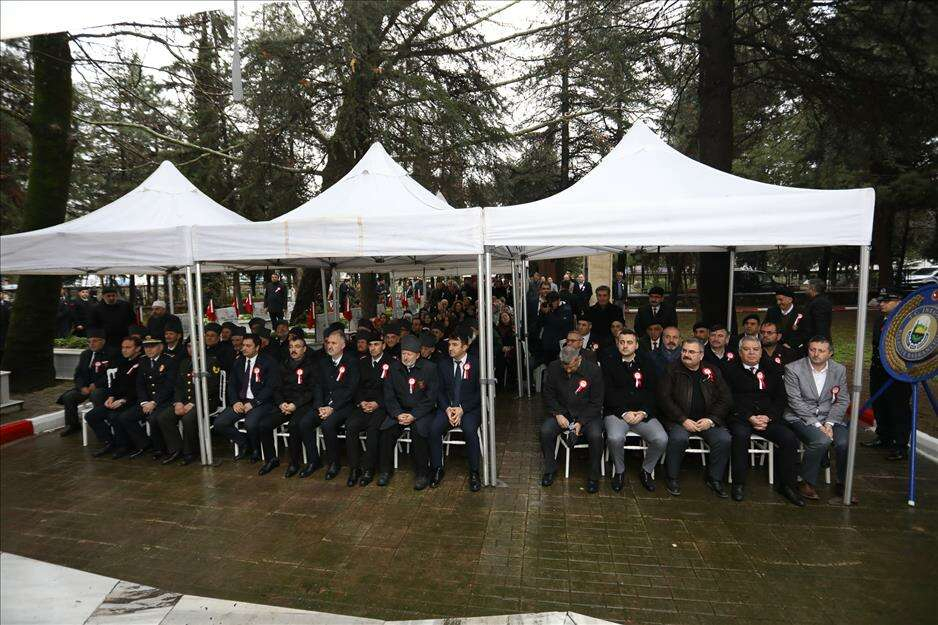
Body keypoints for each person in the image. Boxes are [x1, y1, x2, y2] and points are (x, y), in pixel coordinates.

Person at [723, 336, 804, 506]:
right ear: (740, 352)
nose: (751, 353)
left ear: (761, 352)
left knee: (789, 438)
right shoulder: (729, 370)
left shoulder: (773, 368)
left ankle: (787, 486)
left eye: (755, 349)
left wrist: (768, 416)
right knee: (740, 436)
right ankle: (738, 484)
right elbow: (728, 399)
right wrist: (749, 417)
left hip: (767, 418)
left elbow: (781, 398)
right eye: (746, 349)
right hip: (741, 417)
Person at [657, 338, 732, 498]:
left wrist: (711, 420)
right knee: (679, 438)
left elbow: (726, 399)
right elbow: (664, 398)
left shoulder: (712, 371)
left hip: (706, 420)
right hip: (679, 420)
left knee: (724, 439)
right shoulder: (671, 369)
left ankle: (714, 479)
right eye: (684, 351)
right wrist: (682, 419)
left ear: (701, 355)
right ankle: (672, 477)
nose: (686, 354)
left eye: (691, 352)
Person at [783, 336, 850, 501]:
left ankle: (843, 483)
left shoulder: (839, 370)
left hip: (831, 417)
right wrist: (819, 425)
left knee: (844, 443)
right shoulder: (793, 368)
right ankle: (805, 481)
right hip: (801, 417)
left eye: (821, 351)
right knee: (821, 440)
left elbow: (842, 400)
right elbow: (795, 401)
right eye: (812, 349)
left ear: (830, 353)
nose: (816, 354)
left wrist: (829, 423)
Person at [602, 330, 667, 493]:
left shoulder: (647, 363)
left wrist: (644, 412)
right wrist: (624, 412)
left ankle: (646, 470)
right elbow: (607, 392)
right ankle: (619, 471)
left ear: (636, 345)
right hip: (617, 413)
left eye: (629, 342)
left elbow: (653, 392)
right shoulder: (608, 362)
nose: (625, 345)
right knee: (615, 438)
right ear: (617, 344)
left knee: (661, 439)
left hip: (642, 414)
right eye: (622, 342)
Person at [539, 345, 605, 493]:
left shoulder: (593, 370)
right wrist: (557, 413)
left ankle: (593, 476)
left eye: (571, 367)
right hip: (562, 412)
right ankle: (550, 469)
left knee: (596, 436)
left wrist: (581, 422)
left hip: (587, 414)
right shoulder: (554, 367)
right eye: (565, 367)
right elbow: (548, 394)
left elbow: (596, 402)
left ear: (579, 359)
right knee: (545, 431)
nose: (568, 371)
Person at [380, 334, 440, 490]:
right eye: (403, 354)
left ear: (418, 355)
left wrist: (414, 415)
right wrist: (397, 413)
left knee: (418, 431)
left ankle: (422, 473)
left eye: (409, 354)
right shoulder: (393, 368)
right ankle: (385, 471)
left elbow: (430, 398)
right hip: (400, 411)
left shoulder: (429, 368)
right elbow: (389, 395)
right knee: (387, 430)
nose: (405, 357)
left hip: (421, 412)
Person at [863, 287, 913, 460]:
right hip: (878, 369)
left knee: (898, 408)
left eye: (886, 301)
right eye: (881, 301)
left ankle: (900, 445)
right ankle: (883, 437)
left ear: (899, 302)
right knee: (880, 404)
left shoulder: (907, 321)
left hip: (898, 372)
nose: (881, 304)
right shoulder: (880, 319)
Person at [213, 334, 281, 461]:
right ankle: (245, 443)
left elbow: (270, 387)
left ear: (257, 347)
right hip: (241, 401)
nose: (244, 348)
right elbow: (232, 385)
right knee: (220, 423)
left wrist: (254, 403)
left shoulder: (268, 362)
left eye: (248, 346)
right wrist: (235, 402)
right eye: (243, 345)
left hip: (261, 402)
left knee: (250, 424)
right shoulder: (239, 362)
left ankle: (256, 450)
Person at [432, 329, 483, 492]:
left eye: (455, 345)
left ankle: (474, 472)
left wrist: (462, 409)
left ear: (465, 347)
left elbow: (481, 393)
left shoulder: (477, 363)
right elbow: (439, 391)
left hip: (469, 408)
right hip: (448, 408)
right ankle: (437, 468)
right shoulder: (443, 364)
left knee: (469, 429)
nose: (450, 348)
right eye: (449, 344)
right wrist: (447, 409)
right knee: (434, 429)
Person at [262, 334, 320, 477]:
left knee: (294, 425)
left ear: (304, 349)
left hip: (303, 404)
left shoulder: (312, 365)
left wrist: (295, 404)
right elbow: (276, 388)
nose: (293, 350)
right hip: (285, 404)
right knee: (264, 424)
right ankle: (271, 459)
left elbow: (312, 391)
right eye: (291, 347)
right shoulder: (283, 365)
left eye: (297, 347)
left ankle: (294, 463)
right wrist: (281, 403)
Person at [156, 340, 221, 465]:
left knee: (188, 419)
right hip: (184, 401)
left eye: (195, 345)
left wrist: (193, 403)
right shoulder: (184, 362)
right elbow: (178, 386)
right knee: (163, 417)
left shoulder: (211, 362)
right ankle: (176, 449)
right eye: (189, 346)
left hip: (205, 401)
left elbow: (212, 387)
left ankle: (190, 452)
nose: (191, 348)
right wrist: (178, 402)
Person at [118, 335, 179, 459]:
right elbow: (140, 384)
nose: (149, 350)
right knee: (125, 417)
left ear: (160, 347)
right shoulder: (143, 360)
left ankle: (164, 449)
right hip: (147, 401)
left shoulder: (170, 360)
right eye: (146, 347)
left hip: (164, 401)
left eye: (152, 347)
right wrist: (144, 402)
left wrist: (154, 402)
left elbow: (169, 386)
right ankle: (145, 444)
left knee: (154, 418)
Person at [344, 330, 391, 486]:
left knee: (373, 429)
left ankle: (368, 469)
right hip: (363, 405)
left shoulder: (391, 363)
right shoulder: (362, 362)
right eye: (370, 345)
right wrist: (360, 402)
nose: (372, 348)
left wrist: (378, 403)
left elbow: (392, 390)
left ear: (383, 346)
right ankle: (354, 468)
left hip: (381, 406)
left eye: (376, 344)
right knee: (351, 426)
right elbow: (355, 386)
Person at [85, 336, 143, 458]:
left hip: (134, 400)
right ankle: (109, 442)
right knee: (91, 416)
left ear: (138, 349)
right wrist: (111, 396)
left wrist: (124, 400)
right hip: (118, 399)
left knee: (114, 416)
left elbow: (140, 388)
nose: (124, 350)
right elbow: (115, 382)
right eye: (123, 347)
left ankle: (124, 445)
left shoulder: (142, 363)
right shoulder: (123, 362)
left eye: (128, 347)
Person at [317, 327, 360, 480]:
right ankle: (313, 461)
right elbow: (318, 386)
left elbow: (351, 390)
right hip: (325, 405)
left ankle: (334, 464)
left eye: (334, 343)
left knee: (327, 425)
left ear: (343, 345)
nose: (330, 346)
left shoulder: (351, 362)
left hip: (344, 405)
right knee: (304, 422)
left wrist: (332, 408)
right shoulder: (323, 362)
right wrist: (320, 406)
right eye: (328, 343)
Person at [57, 328, 116, 437]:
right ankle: (73, 425)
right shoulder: (85, 354)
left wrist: (96, 385)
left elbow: (113, 373)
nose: (91, 344)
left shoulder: (112, 353)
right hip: (86, 387)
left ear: (103, 341)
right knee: (69, 397)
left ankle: (102, 424)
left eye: (94, 341)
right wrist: (81, 387)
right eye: (89, 341)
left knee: (96, 395)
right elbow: (78, 374)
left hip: (103, 387)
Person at [765, 286, 805, 352]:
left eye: (780, 300)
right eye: (777, 300)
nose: (778, 302)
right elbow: (765, 328)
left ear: (790, 300)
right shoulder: (771, 312)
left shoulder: (802, 312)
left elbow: (806, 333)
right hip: (775, 348)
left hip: (795, 350)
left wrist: (790, 345)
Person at [539, 291, 574, 364]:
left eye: (553, 301)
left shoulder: (566, 309)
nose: (551, 303)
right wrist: (542, 312)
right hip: (547, 344)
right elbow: (541, 323)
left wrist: (548, 313)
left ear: (559, 300)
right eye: (549, 301)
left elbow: (559, 324)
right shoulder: (548, 309)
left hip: (559, 345)